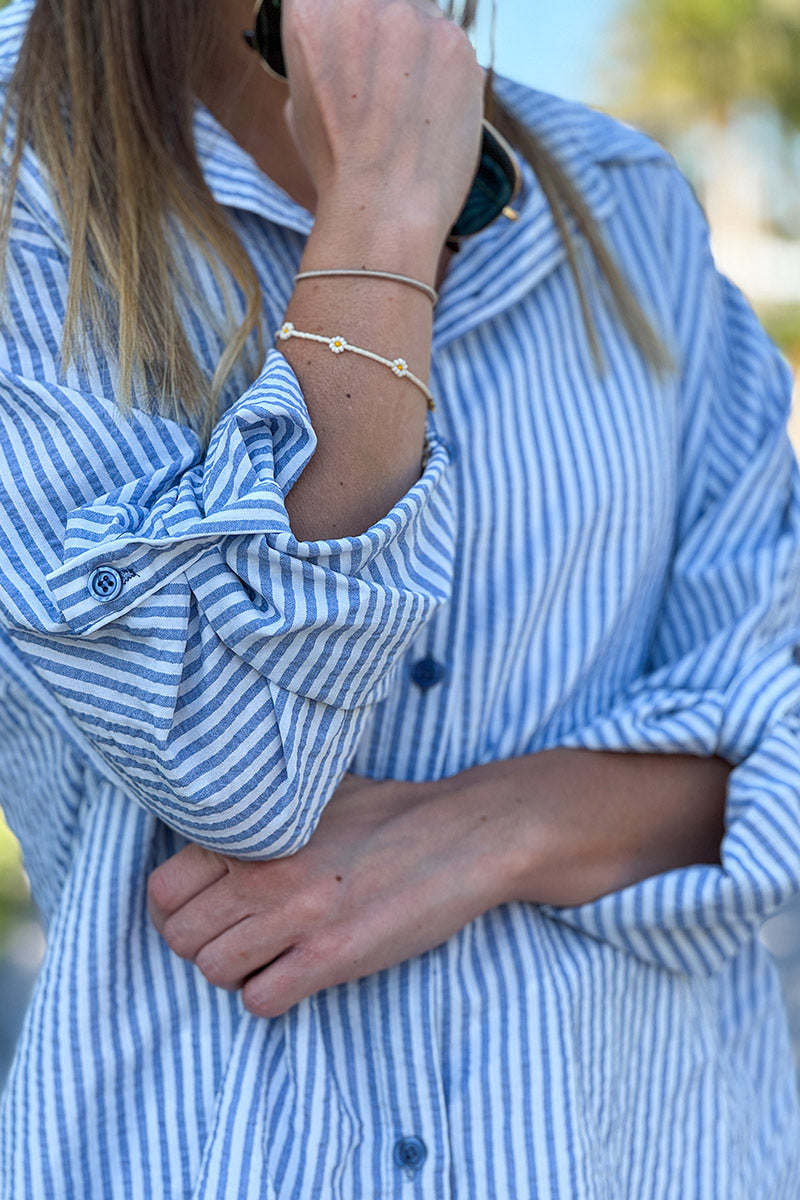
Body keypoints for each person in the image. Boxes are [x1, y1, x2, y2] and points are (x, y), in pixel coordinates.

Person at [0, 0, 799, 1195]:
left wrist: (500, 829)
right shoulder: (26, 166)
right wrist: (377, 213)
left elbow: (777, 703)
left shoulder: (625, 202)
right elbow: (235, 764)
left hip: (649, 1145)